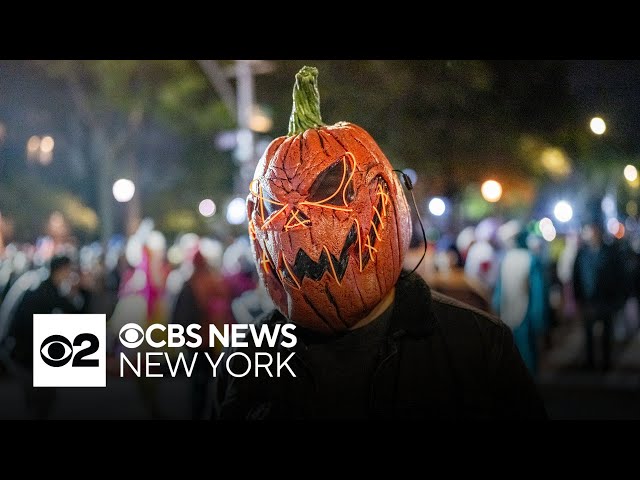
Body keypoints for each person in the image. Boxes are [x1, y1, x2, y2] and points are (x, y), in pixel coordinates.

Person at [212, 66, 547, 420]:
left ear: (385, 197)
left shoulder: (477, 347)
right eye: (273, 206)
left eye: (331, 192)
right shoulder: (245, 363)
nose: (299, 222)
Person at [5, 254, 90, 419]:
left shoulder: (45, 288)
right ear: (60, 271)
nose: (71, 275)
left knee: (41, 402)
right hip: (28, 358)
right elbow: (77, 317)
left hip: (27, 357)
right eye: (69, 270)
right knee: (42, 402)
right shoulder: (45, 293)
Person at [492, 229, 547, 376]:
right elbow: (538, 292)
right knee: (526, 354)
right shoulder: (530, 258)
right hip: (523, 313)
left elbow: (499, 289)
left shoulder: (506, 259)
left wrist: (495, 307)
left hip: (511, 312)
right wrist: (539, 317)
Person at [572, 221, 625, 372]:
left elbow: (618, 275)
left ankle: (606, 362)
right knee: (588, 333)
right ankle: (590, 362)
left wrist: (618, 298)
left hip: (606, 300)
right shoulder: (582, 253)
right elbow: (576, 276)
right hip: (588, 300)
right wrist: (578, 298)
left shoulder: (610, 252)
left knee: (607, 332)